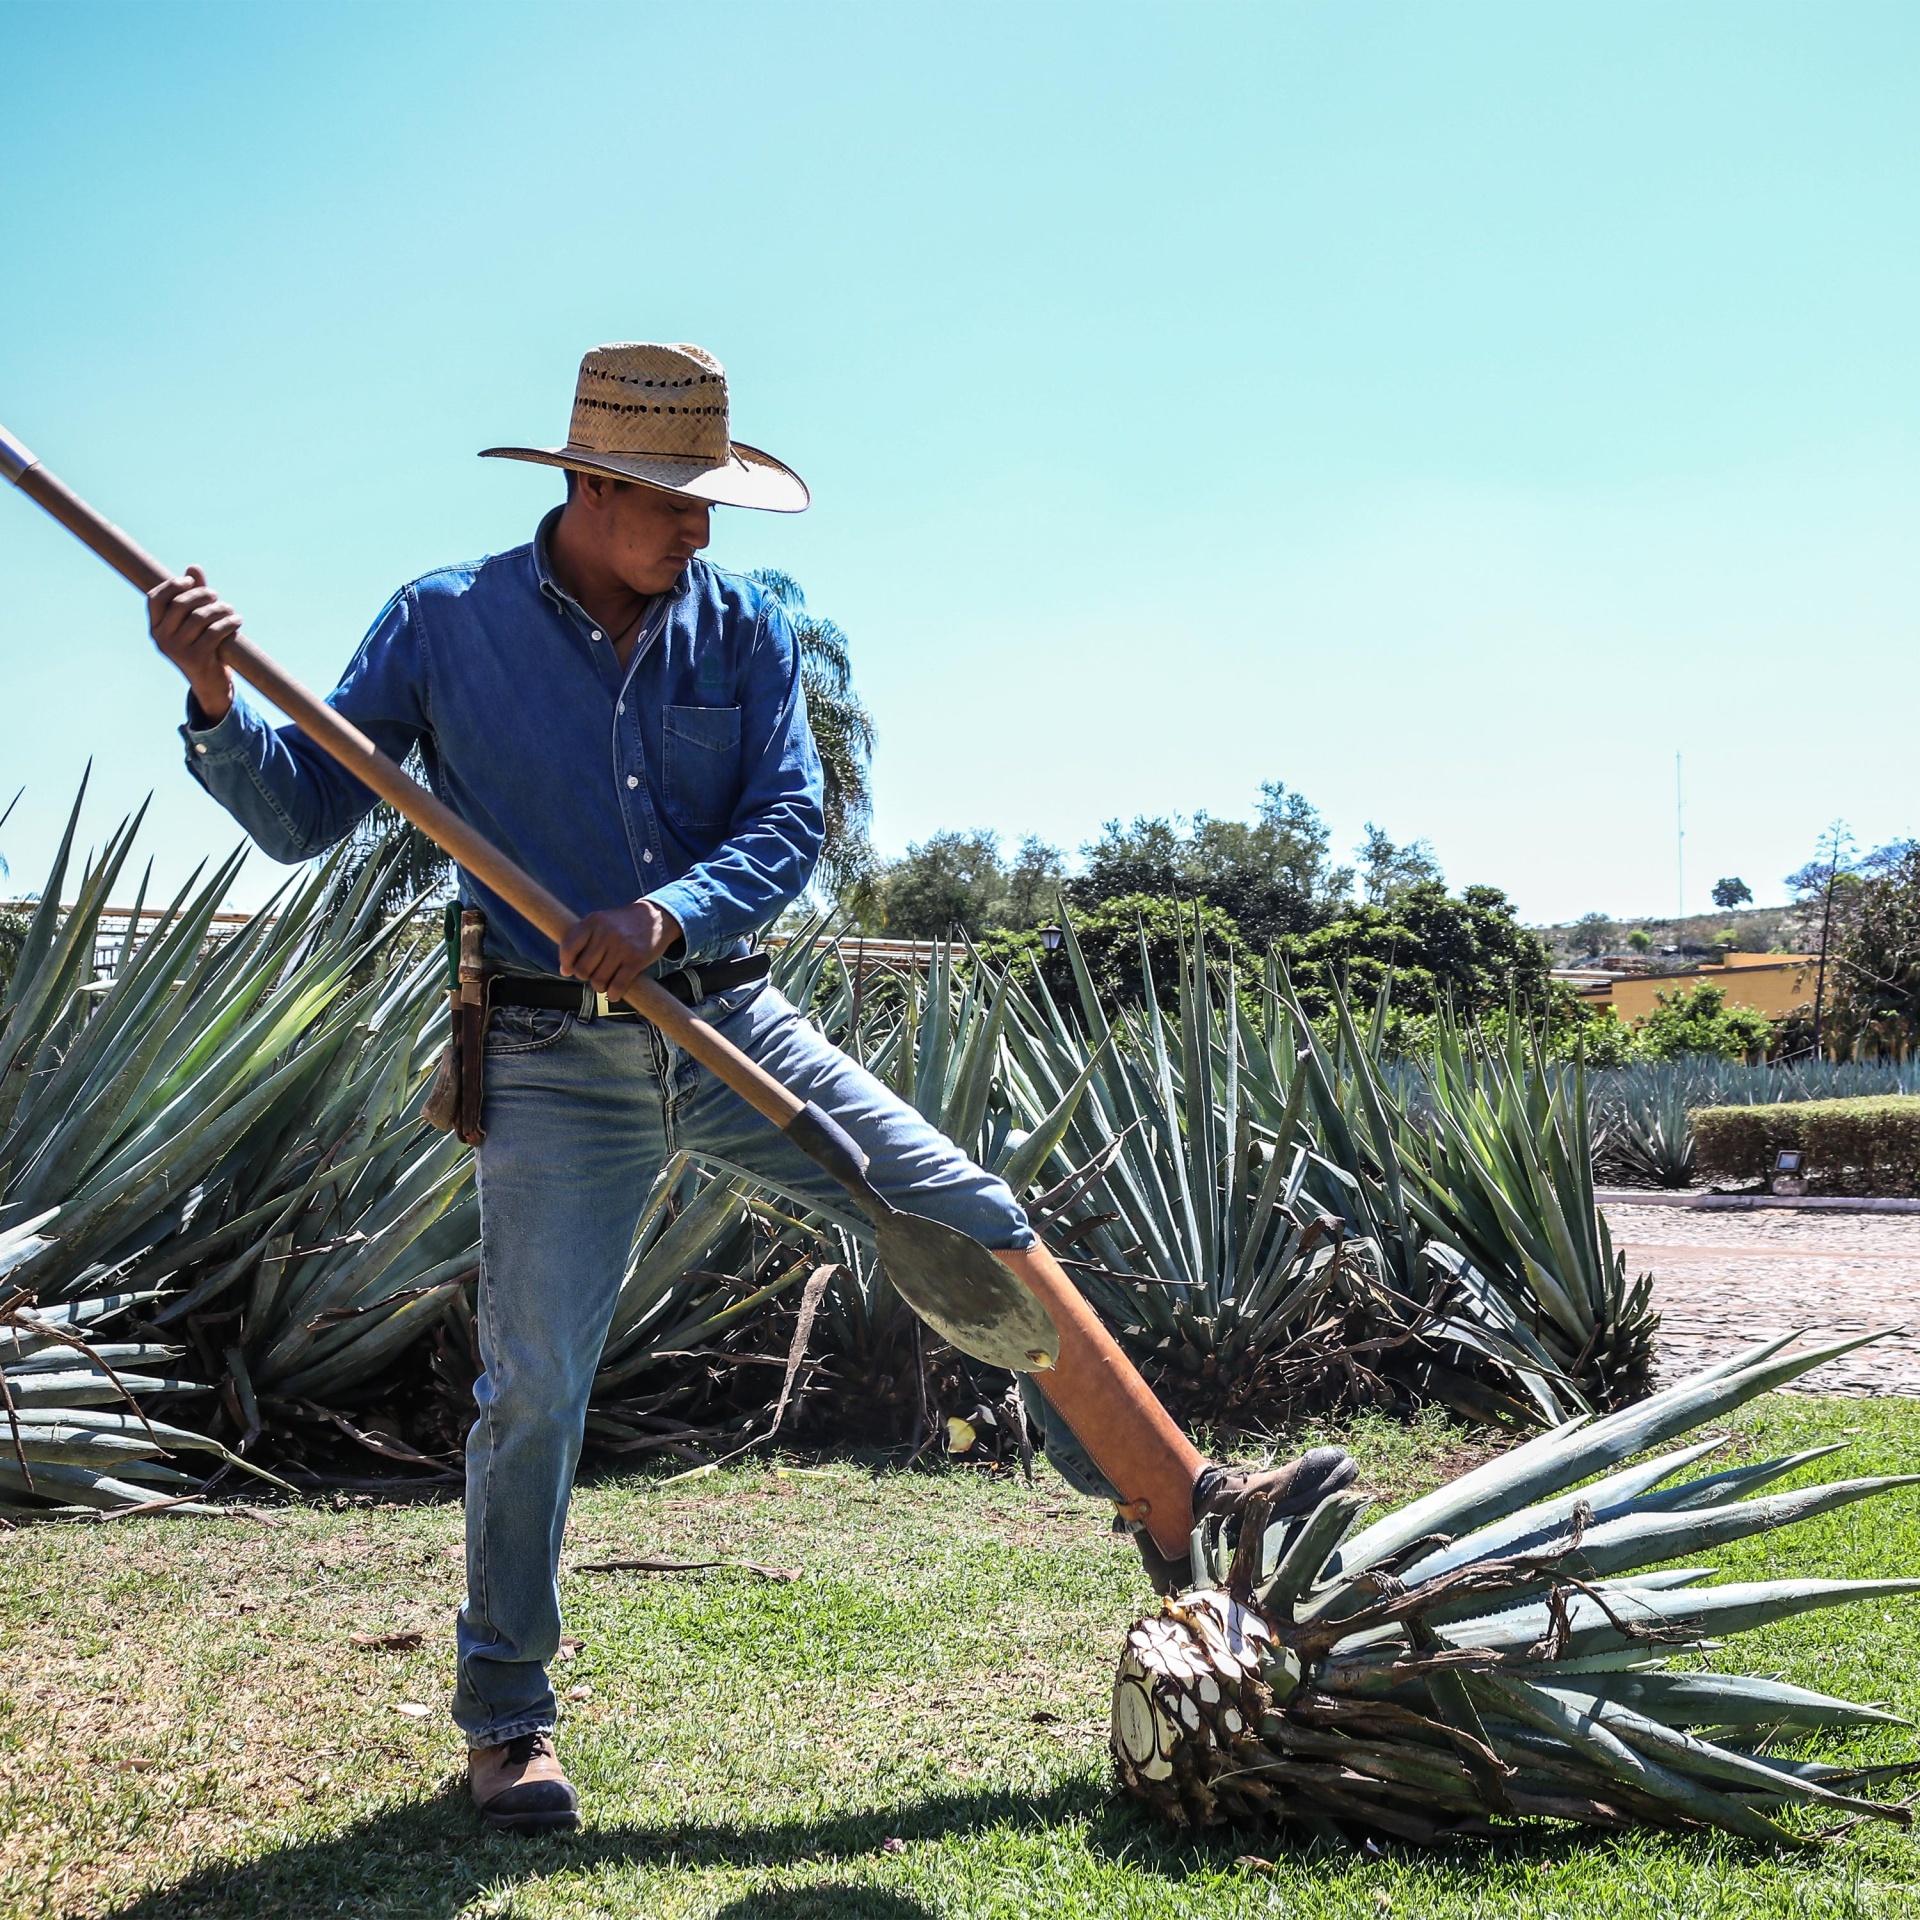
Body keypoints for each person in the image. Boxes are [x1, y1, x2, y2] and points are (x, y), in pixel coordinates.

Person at [147, 342, 1355, 1835]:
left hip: (734, 1023)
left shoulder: (745, 632)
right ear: (588, 484)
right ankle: (505, 1726)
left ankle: (1183, 1502)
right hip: (549, 1056)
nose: (698, 530)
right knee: (535, 1392)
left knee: (969, 1212)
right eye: (670, 501)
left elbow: (789, 821)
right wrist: (213, 701)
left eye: (710, 500)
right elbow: (304, 813)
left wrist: (665, 918)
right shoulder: (441, 624)